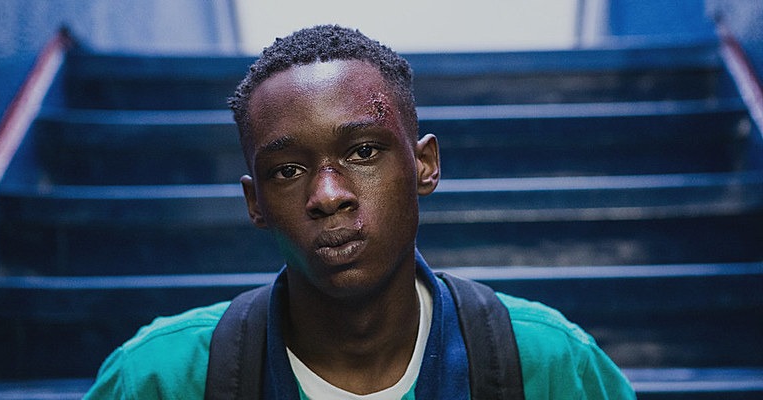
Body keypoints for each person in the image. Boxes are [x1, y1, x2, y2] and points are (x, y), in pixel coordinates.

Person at [84, 25, 636, 399]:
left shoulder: (551, 363)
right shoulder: (157, 378)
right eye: (287, 170)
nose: (328, 195)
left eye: (364, 152)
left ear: (424, 166)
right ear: (256, 204)